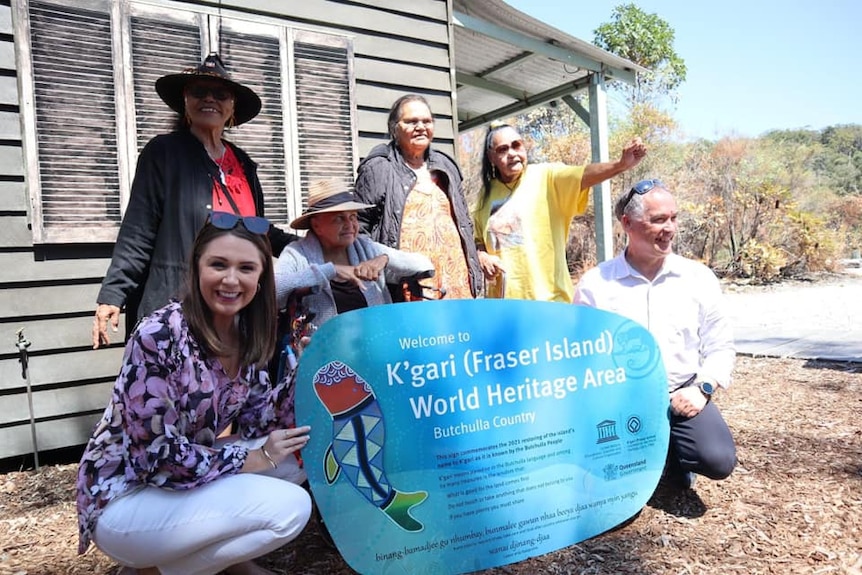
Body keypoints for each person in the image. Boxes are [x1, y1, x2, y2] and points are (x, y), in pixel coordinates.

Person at [77, 214, 311, 575]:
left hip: (180, 478)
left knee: (291, 460)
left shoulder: (244, 332)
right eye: (219, 264)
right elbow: (155, 456)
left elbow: (262, 419)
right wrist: (250, 459)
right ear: (197, 267)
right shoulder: (159, 334)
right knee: (291, 508)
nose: (231, 280)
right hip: (126, 495)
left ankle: (216, 563)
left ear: (261, 277)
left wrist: (306, 370)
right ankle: (154, 569)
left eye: (246, 268)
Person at [93, 52, 296, 349]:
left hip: (237, 308)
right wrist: (113, 294)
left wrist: (310, 244)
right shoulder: (164, 153)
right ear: (185, 101)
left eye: (221, 94)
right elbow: (138, 230)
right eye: (199, 92)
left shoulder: (243, 163)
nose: (209, 99)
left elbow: (256, 229)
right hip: (182, 306)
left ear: (232, 107)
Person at [573, 179, 737, 490]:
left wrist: (702, 388)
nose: (670, 228)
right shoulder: (596, 284)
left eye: (673, 218)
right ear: (628, 224)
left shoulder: (698, 278)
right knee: (604, 475)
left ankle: (675, 456)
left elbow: (721, 346)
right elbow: (581, 355)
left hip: (680, 392)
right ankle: (650, 458)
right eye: (659, 220)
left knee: (717, 459)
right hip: (620, 399)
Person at [472, 122, 647, 302]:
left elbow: (583, 175)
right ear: (491, 157)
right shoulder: (485, 195)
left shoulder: (546, 177)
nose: (512, 153)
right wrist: (481, 255)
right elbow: (478, 240)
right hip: (503, 308)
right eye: (503, 149)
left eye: (517, 145)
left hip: (550, 304)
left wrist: (620, 165)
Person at [354, 94, 481, 300]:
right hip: (407, 286)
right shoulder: (378, 168)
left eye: (426, 121)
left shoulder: (446, 166)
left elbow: (464, 223)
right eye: (411, 121)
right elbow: (359, 228)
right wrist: (377, 264)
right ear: (395, 128)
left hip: (456, 280)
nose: (420, 126)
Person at [275, 179, 434, 332]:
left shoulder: (365, 247)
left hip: (375, 347)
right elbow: (275, 291)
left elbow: (424, 265)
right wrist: (331, 271)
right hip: (323, 354)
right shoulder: (297, 253)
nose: (350, 225)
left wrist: (385, 259)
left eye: (353, 217)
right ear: (316, 225)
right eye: (339, 218)